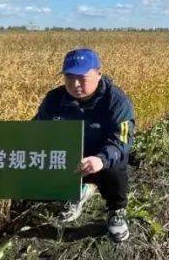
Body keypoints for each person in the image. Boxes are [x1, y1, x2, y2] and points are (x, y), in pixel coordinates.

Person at [34, 47, 135, 242]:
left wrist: (101, 159)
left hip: (103, 155)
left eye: (82, 77)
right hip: (71, 154)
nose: (75, 84)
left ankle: (117, 211)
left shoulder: (116, 101)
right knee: (49, 161)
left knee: (115, 168)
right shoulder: (54, 99)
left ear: (99, 74)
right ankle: (77, 193)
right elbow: (37, 128)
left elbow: (122, 138)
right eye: (69, 77)